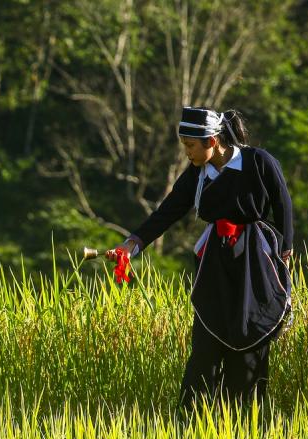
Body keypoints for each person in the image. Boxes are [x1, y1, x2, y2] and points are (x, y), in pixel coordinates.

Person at [112, 107, 294, 412]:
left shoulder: (258, 162)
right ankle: (191, 422)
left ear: (212, 141)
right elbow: (168, 211)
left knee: (250, 337)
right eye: (185, 146)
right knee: (206, 345)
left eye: (191, 146)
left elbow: (283, 203)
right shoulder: (197, 174)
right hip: (215, 262)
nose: (187, 153)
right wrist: (132, 244)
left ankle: (245, 423)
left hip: (255, 260)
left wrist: (284, 255)